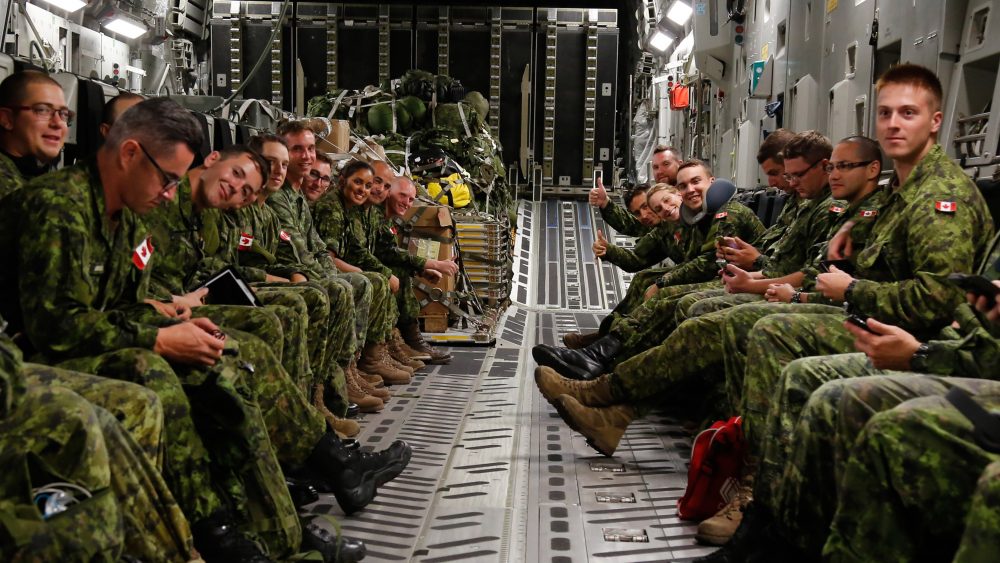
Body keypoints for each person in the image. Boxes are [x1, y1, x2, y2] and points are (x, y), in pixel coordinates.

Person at [532, 159, 765, 380]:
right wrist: (609, 250)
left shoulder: (725, 213)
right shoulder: (691, 218)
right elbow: (639, 257)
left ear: (711, 182)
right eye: (684, 186)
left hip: (748, 279)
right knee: (647, 279)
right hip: (732, 276)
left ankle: (608, 361)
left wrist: (663, 282)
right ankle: (604, 348)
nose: (663, 209)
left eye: (696, 182)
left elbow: (709, 263)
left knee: (667, 296)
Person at [377, 174, 461, 363]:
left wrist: (421, 270)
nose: (407, 203)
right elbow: (386, 253)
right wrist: (433, 264)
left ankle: (408, 341)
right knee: (396, 274)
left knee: (402, 272)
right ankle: (401, 343)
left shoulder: (386, 218)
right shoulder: (376, 215)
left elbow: (389, 253)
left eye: (411, 199)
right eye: (402, 196)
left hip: (373, 266)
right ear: (389, 191)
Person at [0, 71, 71, 199]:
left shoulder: (39, 174)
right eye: (42, 110)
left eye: (63, 113)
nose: (58, 123)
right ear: (7, 119)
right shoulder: (10, 190)